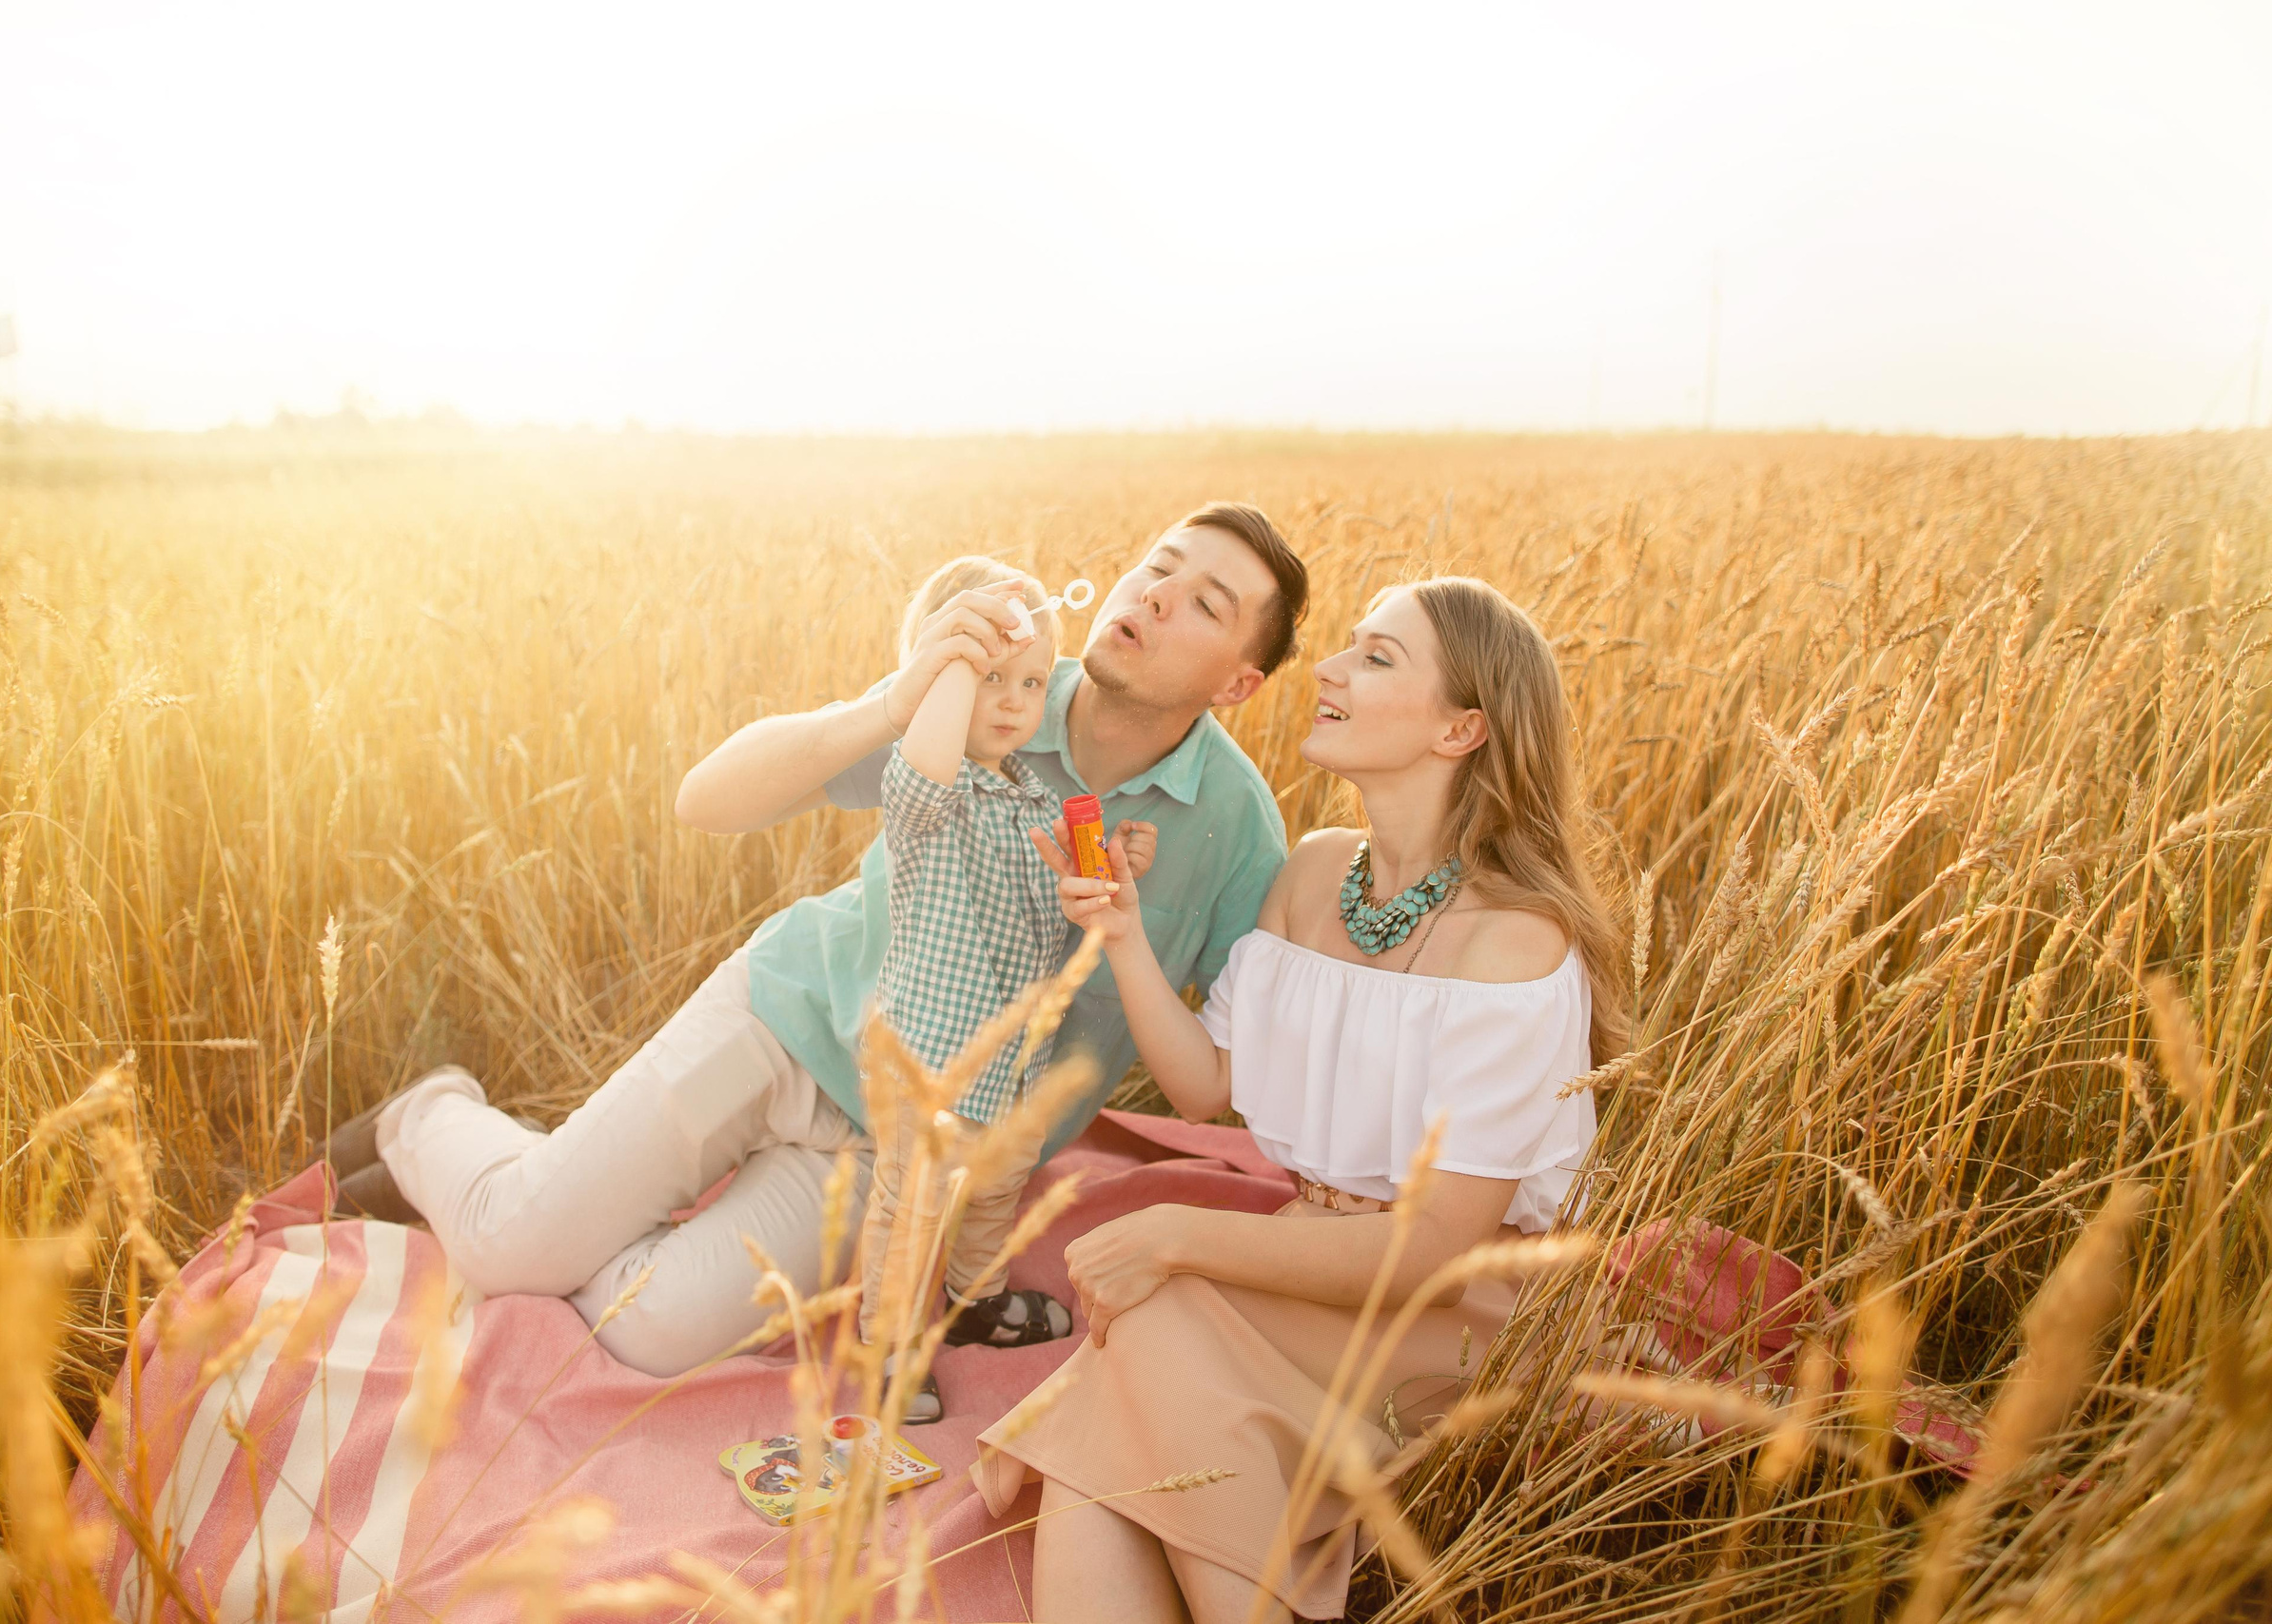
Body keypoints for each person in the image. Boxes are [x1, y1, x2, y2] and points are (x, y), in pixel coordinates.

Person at [322, 503, 1309, 1379]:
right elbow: (705, 802)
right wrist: (894, 701)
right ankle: (430, 1115)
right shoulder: (988, 683)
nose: (1156, 594)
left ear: (1239, 685)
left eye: (1206, 602)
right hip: (786, 1025)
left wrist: (1124, 939)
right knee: (508, 1248)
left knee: (648, 1329)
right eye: (1157, 565)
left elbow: (1209, 1086)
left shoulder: (1234, 833)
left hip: (900, 1151)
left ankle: (563, 1195)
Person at [974, 576, 1627, 1624]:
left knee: (1148, 1331)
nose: (1326, 667)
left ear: (1460, 728)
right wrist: (1123, 935)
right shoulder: (1316, 870)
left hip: (1453, 1312)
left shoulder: (1513, 943)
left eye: (1376, 657)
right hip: (1311, 1258)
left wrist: (1176, 1233)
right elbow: (1206, 1086)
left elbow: (1433, 1253)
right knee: (1137, 1368)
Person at [852, 555, 1156, 1422]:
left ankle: (974, 1298)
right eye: (989, 677)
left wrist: (1109, 872)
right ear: (939, 676)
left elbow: (1057, 915)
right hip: (930, 1058)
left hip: (1015, 1060)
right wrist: (953, 656)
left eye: (1032, 680)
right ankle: (889, 1348)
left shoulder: (1037, 801)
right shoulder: (927, 786)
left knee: (994, 1190)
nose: (1017, 700)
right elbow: (923, 761)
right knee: (911, 1207)